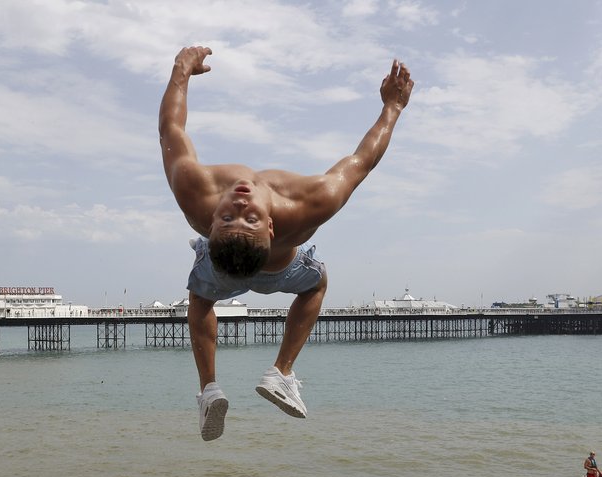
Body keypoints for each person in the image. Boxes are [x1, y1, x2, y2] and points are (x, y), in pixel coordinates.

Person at [159, 46, 414, 440]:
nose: (241, 204)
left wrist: (181, 71)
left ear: (211, 226)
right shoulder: (310, 204)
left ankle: (209, 389)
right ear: (272, 228)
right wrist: (392, 108)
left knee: (200, 296)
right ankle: (281, 372)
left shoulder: (196, 196)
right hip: (283, 270)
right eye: (238, 217)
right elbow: (361, 161)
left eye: (236, 217)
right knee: (317, 282)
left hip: (220, 269)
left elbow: (170, 130)